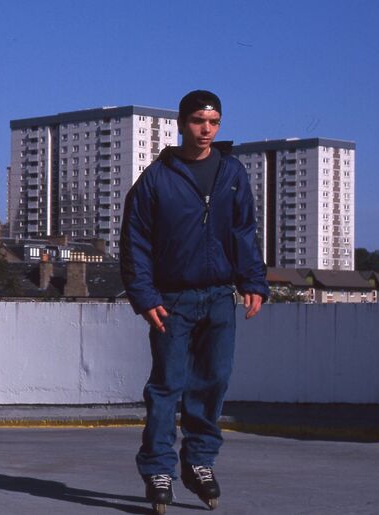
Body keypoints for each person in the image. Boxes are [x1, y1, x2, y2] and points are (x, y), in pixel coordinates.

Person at [119, 90, 269, 513]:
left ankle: (199, 462)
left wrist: (253, 281)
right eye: (200, 121)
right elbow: (135, 242)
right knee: (167, 387)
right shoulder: (157, 178)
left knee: (213, 382)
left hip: (221, 296)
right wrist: (144, 295)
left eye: (215, 122)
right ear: (182, 123)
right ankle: (158, 468)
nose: (207, 130)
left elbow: (243, 231)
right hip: (171, 300)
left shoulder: (232, 172)